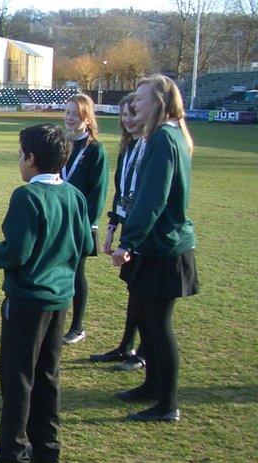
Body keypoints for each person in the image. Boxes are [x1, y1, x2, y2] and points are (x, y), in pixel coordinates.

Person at [0, 124, 93, 463]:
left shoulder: (27, 196)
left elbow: (16, 252)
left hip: (27, 301)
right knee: (47, 375)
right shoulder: (74, 195)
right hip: (59, 301)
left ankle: (11, 456)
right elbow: (86, 245)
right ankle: (48, 450)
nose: (18, 160)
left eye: (20, 153)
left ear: (31, 158)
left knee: (18, 378)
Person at [112, 74, 199, 423]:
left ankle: (168, 403)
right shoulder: (167, 135)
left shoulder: (165, 137)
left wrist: (128, 241)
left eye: (142, 99)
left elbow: (153, 198)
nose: (136, 104)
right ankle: (151, 387)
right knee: (149, 323)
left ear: (159, 103)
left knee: (159, 327)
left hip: (164, 249)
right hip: (157, 246)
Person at [90, 94, 146, 371]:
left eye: (133, 114)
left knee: (145, 293)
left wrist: (130, 237)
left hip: (144, 232)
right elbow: (121, 192)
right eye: (124, 115)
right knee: (134, 290)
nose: (128, 120)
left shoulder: (150, 148)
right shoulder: (128, 147)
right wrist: (112, 228)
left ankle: (143, 352)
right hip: (128, 226)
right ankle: (126, 346)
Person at [61, 94, 109, 344]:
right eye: (67, 112)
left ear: (87, 118)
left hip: (79, 225)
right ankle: (56, 321)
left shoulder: (95, 150)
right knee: (57, 272)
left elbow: (98, 194)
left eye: (75, 114)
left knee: (76, 274)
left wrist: (82, 224)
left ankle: (77, 327)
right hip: (58, 221)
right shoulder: (62, 144)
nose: (69, 118)